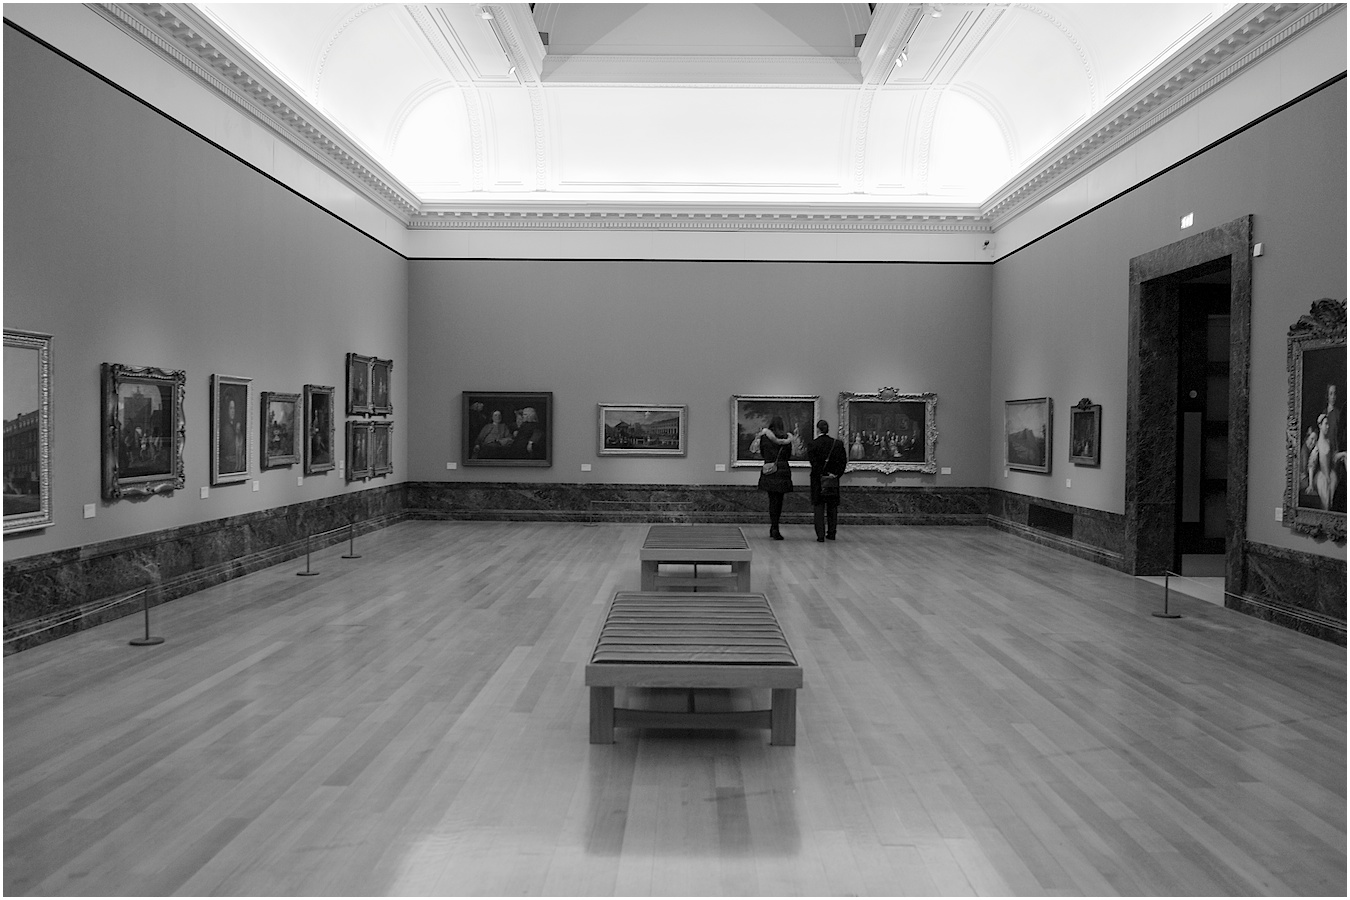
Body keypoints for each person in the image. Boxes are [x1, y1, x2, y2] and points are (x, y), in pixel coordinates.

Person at [808, 419, 848, 542]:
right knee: (832, 508)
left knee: (819, 508)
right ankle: (831, 533)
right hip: (832, 480)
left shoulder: (813, 444)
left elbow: (814, 464)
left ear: (818, 429)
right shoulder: (837, 444)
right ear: (828, 429)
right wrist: (835, 475)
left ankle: (820, 535)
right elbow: (843, 462)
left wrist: (823, 474)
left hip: (818, 480)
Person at [754, 416, 794, 539]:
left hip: (769, 470)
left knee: (772, 500)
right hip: (782, 471)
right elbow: (788, 455)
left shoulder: (765, 438)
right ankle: (775, 527)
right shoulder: (787, 439)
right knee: (779, 501)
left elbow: (762, 453)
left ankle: (774, 527)